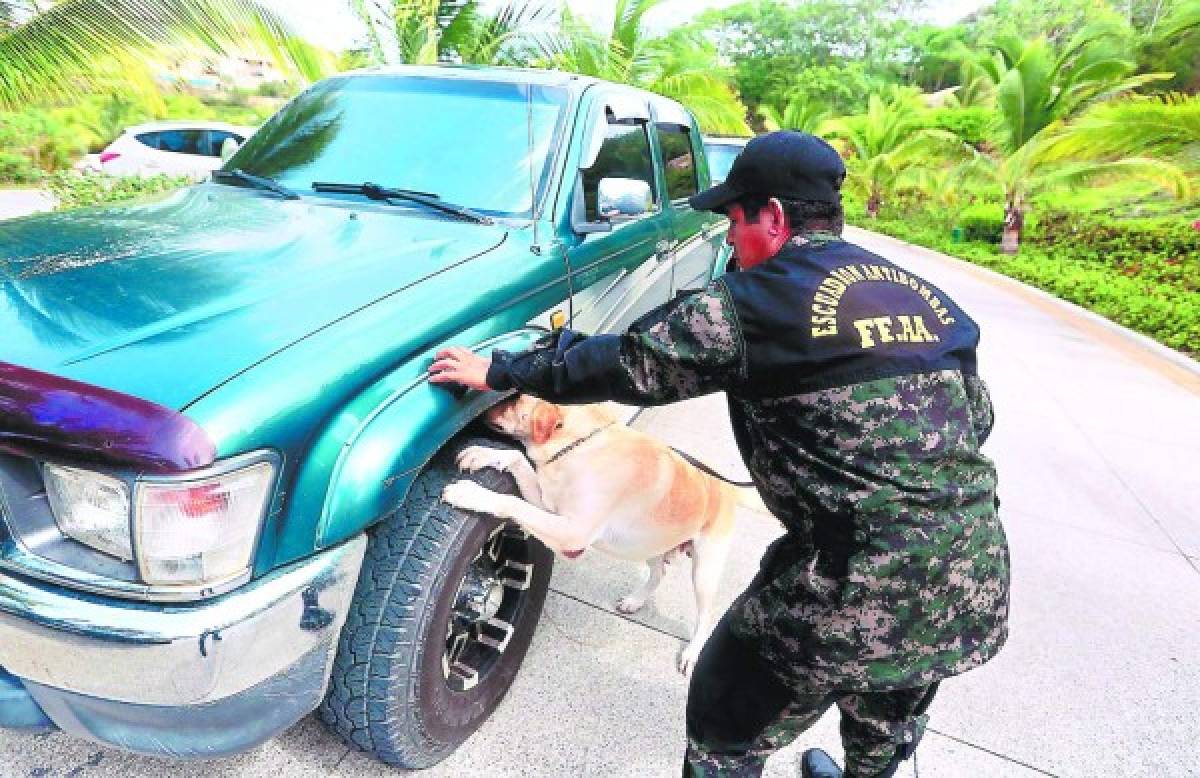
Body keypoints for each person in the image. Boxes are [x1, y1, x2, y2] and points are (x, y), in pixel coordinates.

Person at [428, 131, 1009, 778]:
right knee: (887, 729)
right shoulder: (924, 297)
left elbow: (627, 364)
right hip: (972, 572)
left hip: (845, 583)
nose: (729, 239)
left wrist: (503, 371)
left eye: (734, 221)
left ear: (774, 217)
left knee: (724, 731)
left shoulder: (757, 303)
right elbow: (972, 420)